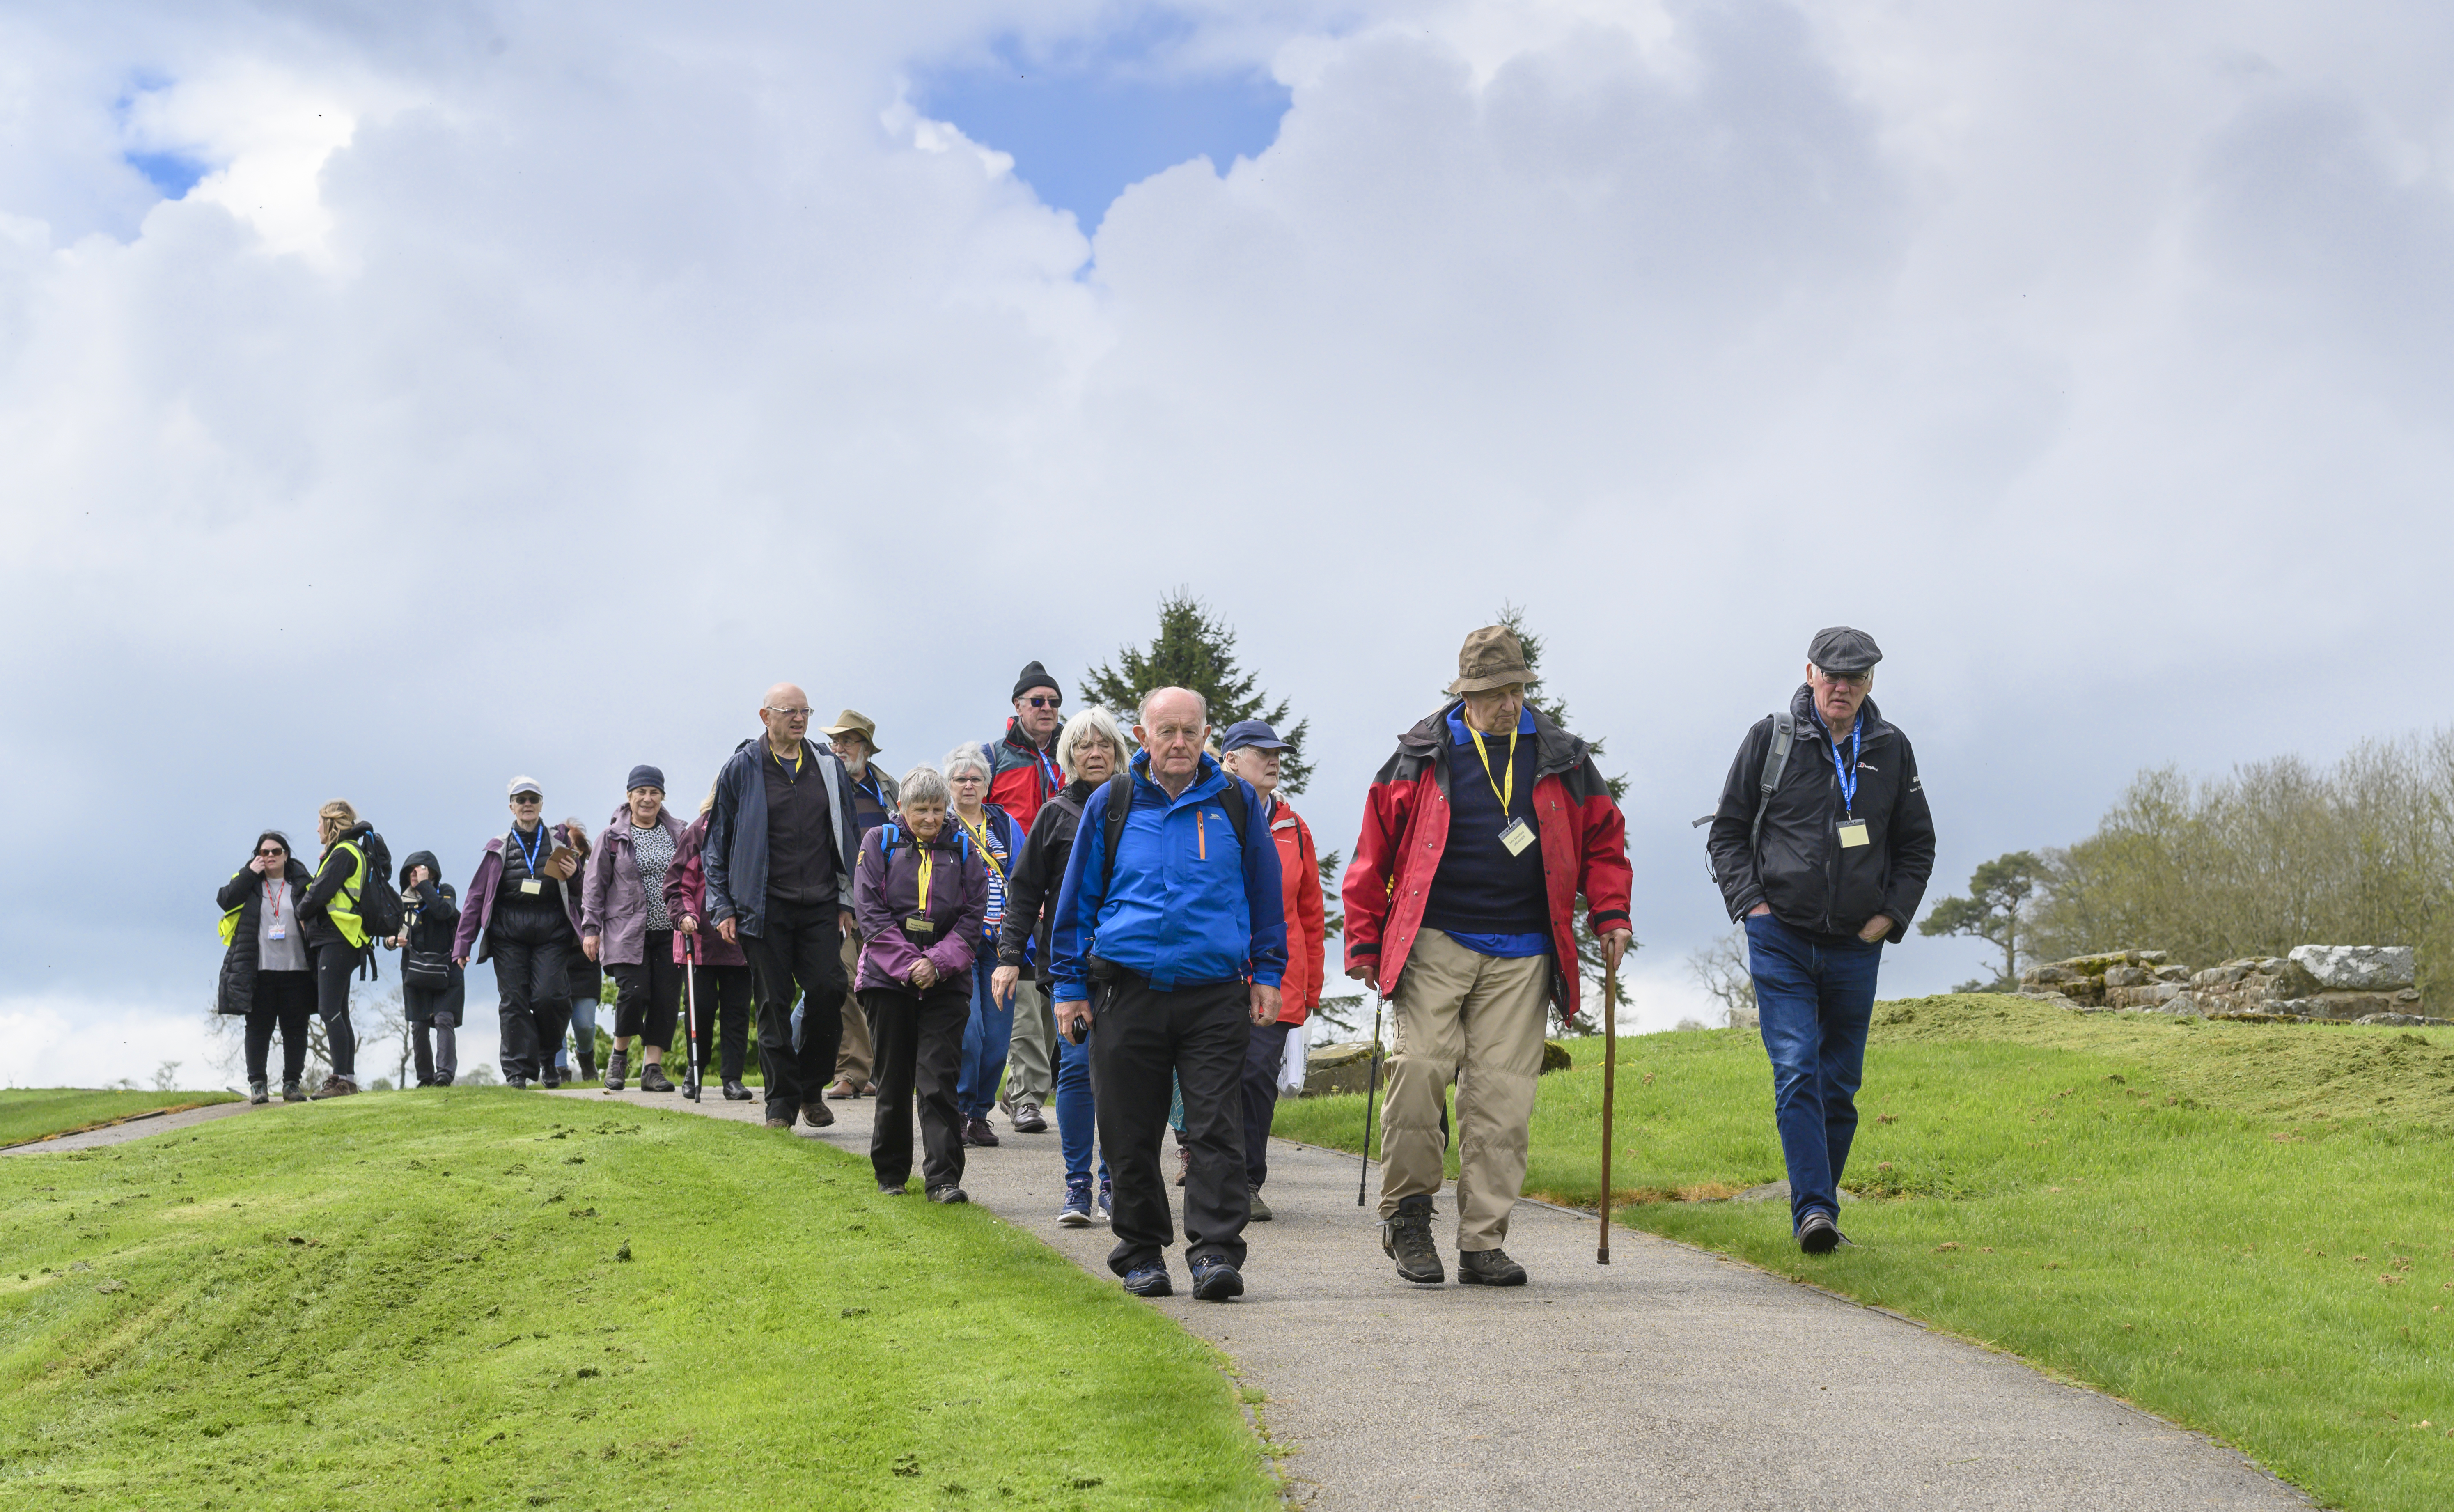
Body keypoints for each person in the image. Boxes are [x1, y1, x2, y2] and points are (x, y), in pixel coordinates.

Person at [1345, 625, 1634, 1288]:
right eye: (1494, 692)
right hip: (1434, 940)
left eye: (1516, 690)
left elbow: (1603, 841)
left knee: (1501, 1100)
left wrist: (1611, 912)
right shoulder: (1420, 753)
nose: (1508, 703)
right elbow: (1372, 850)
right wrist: (1363, 939)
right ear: (1465, 695)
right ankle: (1407, 1216)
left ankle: (1482, 1241)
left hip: (1525, 951)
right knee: (1418, 1069)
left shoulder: (1562, 755)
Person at [1050, 687, 1287, 1303]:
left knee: (1215, 1130)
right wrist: (1069, 987)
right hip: (1126, 992)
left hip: (1215, 994)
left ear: (1207, 735)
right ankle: (1141, 1253)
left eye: (1190, 731)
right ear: (1142, 735)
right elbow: (1076, 904)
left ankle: (1214, 1253)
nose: (1179, 742)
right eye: (1166, 731)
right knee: (1128, 1131)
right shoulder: (1112, 802)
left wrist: (1268, 972)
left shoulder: (1235, 801)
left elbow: (1265, 895)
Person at [1706, 627, 1936, 1254]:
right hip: (1779, 937)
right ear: (1809, 673)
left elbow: (1917, 845)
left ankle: (1818, 1209)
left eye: (1855, 676)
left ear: (1870, 682)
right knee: (1795, 1068)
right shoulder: (1771, 738)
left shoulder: (1891, 748)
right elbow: (1727, 832)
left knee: (1839, 1083)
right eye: (1831, 674)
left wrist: (1887, 918)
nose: (1841, 686)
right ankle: (1813, 1210)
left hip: (1855, 946)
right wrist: (1753, 909)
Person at [704, 684, 861, 1131]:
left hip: (820, 905)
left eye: (805, 711)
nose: (799, 718)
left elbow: (847, 832)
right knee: (773, 1004)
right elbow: (716, 843)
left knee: (829, 990)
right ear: (765, 716)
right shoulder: (742, 767)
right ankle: (780, 1104)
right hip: (762, 907)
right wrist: (723, 907)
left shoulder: (828, 766)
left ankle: (811, 1089)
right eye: (789, 711)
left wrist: (846, 898)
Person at [995, 706, 1127, 1225]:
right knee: (1074, 1069)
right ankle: (1078, 1185)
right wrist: (1010, 957)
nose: (1094, 753)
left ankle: (1115, 1181)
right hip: (1070, 964)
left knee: (1122, 1073)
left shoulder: (1139, 806)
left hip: (1130, 964)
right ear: (1069, 755)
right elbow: (1025, 890)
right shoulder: (1054, 814)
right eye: (1083, 745)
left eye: (1103, 744)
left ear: (1118, 751)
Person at [853, 765, 991, 1202]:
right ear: (902, 808)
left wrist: (936, 963)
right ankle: (891, 1174)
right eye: (921, 810)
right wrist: (911, 964)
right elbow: (869, 913)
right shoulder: (878, 842)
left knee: (938, 1079)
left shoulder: (964, 848)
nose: (930, 818)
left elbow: (973, 918)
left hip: (946, 982)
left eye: (937, 809)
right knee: (893, 1080)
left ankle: (943, 1180)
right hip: (886, 979)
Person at [1218, 720, 1326, 1224]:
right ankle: (1208, 1165)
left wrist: (1310, 987)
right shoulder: (1209, 815)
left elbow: (1310, 913)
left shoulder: (1294, 828)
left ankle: (1245, 1181)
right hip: (1216, 971)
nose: (1273, 759)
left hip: (1277, 979)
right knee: (1212, 1075)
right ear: (1230, 760)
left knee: (1256, 1076)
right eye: (1260, 751)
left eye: (1276, 752)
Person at [451, 777, 587, 1089]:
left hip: (552, 934)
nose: (527, 804)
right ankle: (517, 1072)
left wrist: (575, 874)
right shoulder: (497, 848)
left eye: (533, 799)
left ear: (541, 805)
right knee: (514, 1002)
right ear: (511, 807)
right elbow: (475, 898)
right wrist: (462, 945)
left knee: (550, 998)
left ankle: (549, 1058)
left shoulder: (560, 844)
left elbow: (583, 892)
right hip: (508, 937)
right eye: (521, 799)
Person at [986, 661, 1067, 1130]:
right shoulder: (995, 757)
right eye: (1037, 701)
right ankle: (1026, 1097)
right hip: (1014, 895)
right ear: (1018, 705)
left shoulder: (1072, 754)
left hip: (1063, 895)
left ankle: (1023, 1087)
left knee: (1052, 999)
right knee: (1023, 1000)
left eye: (1054, 701)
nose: (1047, 708)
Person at [585, 766, 690, 1094]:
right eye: (641, 792)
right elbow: (594, 886)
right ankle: (619, 1057)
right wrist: (591, 929)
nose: (647, 798)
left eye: (654, 792)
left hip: (670, 931)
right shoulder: (611, 837)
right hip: (627, 932)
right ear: (629, 796)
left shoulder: (679, 833)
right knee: (633, 993)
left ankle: (652, 1068)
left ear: (663, 797)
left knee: (666, 999)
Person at [944, 745, 1023, 1146]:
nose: (968, 785)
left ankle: (979, 1115)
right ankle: (958, 1110)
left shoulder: (1005, 824)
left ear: (987, 784)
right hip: (960, 943)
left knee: (996, 1041)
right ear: (949, 784)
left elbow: (1024, 874)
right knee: (970, 1033)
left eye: (976, 778)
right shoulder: (942, 824)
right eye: (960, 779)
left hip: (1000, 946)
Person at [822, 710, 900, 1102]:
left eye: (847, 741)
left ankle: (879, 1071)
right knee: (844, 979)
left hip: (887, 905)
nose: (839, 748)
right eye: (835, 741)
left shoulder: (890, 789)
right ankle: (851, 1072)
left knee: (884, 986)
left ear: (866, 748)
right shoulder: (824, 786)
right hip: (842, 901)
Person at [668, 781, 757, 1100]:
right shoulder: (698, 832)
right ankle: (696, 1069)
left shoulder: (757, 831)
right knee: (701, 1009)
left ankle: (733, 1079)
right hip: (701, 940)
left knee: (737, 1011)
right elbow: (679, 883)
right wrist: (685, 915)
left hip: (742, 940)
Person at [216, 831, 315, 1104]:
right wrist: (250, 872)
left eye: (276, 851)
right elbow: (224, 899)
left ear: (286, 855)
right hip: (260, 969)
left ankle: (292, 1084)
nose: (270, 856)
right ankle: (258, 1085)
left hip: (297, 969)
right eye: (264, 852)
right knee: (258, 1028)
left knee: (296, 1029)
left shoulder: (302, 883)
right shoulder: (249, 882)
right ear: (258, 856)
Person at [298, 800, 379, 1099]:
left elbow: (319, 893)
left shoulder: (344, 853)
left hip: (338, 937)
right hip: (346, 939)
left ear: (332, 824)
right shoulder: (348, 851)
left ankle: (340, 1081)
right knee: (340, 1011)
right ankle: (349, 1080)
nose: (317, 828)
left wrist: (300, 911)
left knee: (329, 1010)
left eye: (320, 822)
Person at [388, 851, 464, 1087]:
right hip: (415, 970)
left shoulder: (446, 892)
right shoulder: (401, 901)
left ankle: (444, 1075)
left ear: (432, 873)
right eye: (411, 871)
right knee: (419, 1025)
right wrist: (390, 941)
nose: (414, 875)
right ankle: (425, 1078)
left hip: (446, 969)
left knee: (444, 1019)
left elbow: (443, 912)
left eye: (419, 871)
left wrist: (424, 886)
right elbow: (388, 930)